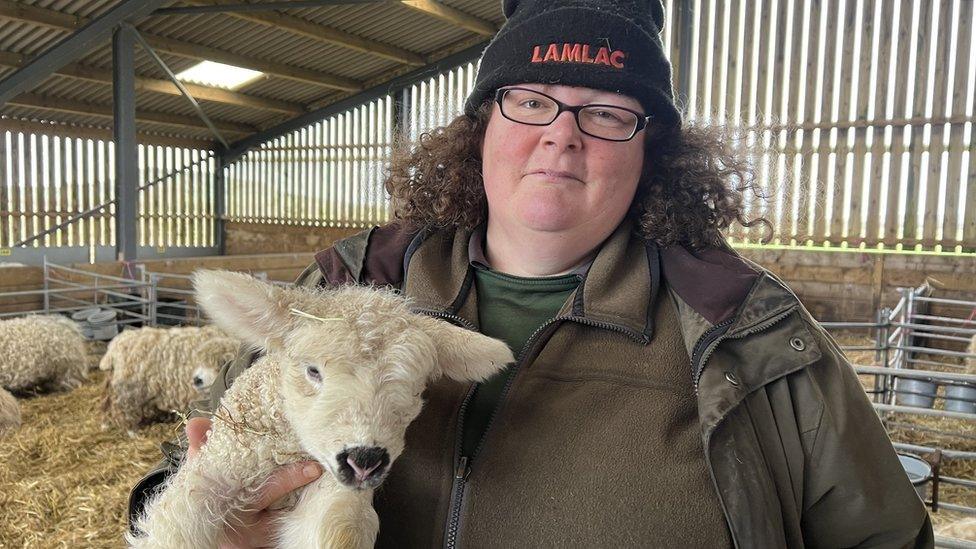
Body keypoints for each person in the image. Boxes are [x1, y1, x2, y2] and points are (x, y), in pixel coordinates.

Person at [129, 0, 934, 547]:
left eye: (609, 110)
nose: (563, 136)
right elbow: (202, 462)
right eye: (531, 101)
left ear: (651, 149)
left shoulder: (747, 335)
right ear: (482, 128)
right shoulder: (347, 285)